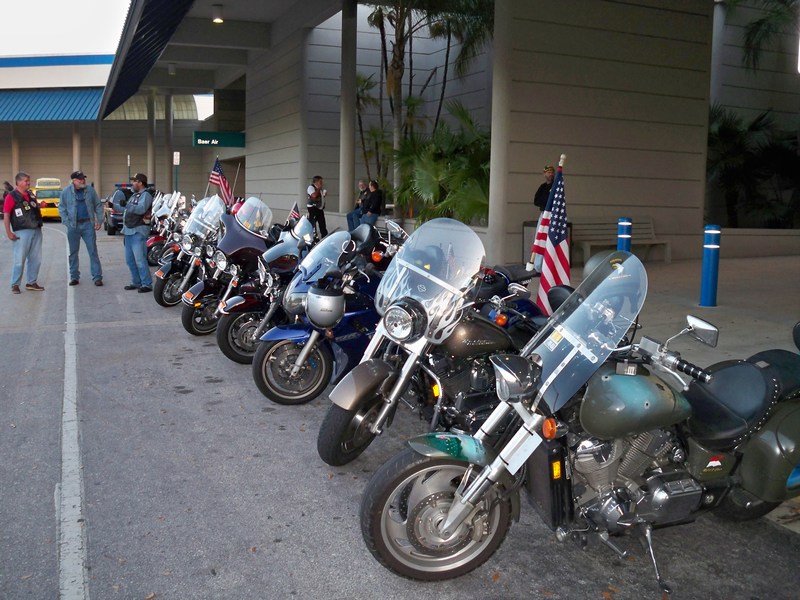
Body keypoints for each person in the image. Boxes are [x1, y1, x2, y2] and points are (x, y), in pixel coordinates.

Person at [59, 170, 104, 286]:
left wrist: (99, 220)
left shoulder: (90, 190)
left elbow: (98, 205)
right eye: (80, 179)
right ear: (74, 181)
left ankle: (97, 277)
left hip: (88, 224)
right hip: (73, 226)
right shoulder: (66, 192)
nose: (83, 180)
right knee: (73, 252)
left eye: (83, 178)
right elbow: (62, 208)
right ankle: (74, 277)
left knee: (93, 251)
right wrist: (67, 222)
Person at [3, 171, 44, 294]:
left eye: (28, 180)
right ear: (18, 182)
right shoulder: (11, 196)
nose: (28, 183)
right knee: (19, 259)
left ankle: (31, 282)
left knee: (36, 259)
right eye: (26, 181)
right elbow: (6, 214)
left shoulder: (31, 194)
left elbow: (33, 208)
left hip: (36, 229)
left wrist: (40, 206)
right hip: (21, 231)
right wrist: (9, 232)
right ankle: (15, 284)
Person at [121, 173, 154, 293]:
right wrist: (115, 205)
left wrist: (127, 205)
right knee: (129, 260)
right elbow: (127, 210)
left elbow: (141, 209)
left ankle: (147, 284)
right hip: (129, 231)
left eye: (134, 181)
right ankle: (136, 282)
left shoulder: (146, 195)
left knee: (140, 260)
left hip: (138, 230)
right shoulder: (135, 195)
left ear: (140, 183)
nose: (132, 183)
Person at [528, 165, 555, 273]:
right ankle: (538, 266)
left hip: (553, 215)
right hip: (544, 214)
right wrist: (546, 200)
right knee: (540, 238)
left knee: (551, 240)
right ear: (544, 174)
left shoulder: (556, 186)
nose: (550, 174)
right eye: (548, 172)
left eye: (551, 172)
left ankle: (550, 265)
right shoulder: (543, 187)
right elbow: (536, 201)